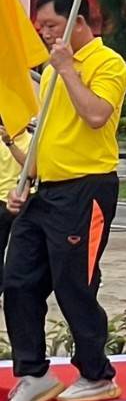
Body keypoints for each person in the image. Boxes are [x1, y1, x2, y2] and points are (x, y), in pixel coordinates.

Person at [0, 0, 126, 401]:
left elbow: (95, 116)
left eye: (52, 26)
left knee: (74, 283)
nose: (46, 35)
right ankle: (34, 373)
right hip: (46, 191)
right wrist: (25, 180)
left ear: (77, 22)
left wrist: (69, 69)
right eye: (41, 29)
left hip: (86, 188)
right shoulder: (56, 69)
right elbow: (47, 134)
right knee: (17, 279)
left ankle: (97, 375)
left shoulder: (106, 63)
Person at [0, 122, 32, 293]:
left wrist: (9, 143)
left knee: (21, 252)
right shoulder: (31, 141)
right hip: (7, 201)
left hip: (21, 201)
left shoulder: (31, 142)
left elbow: (31, 169)